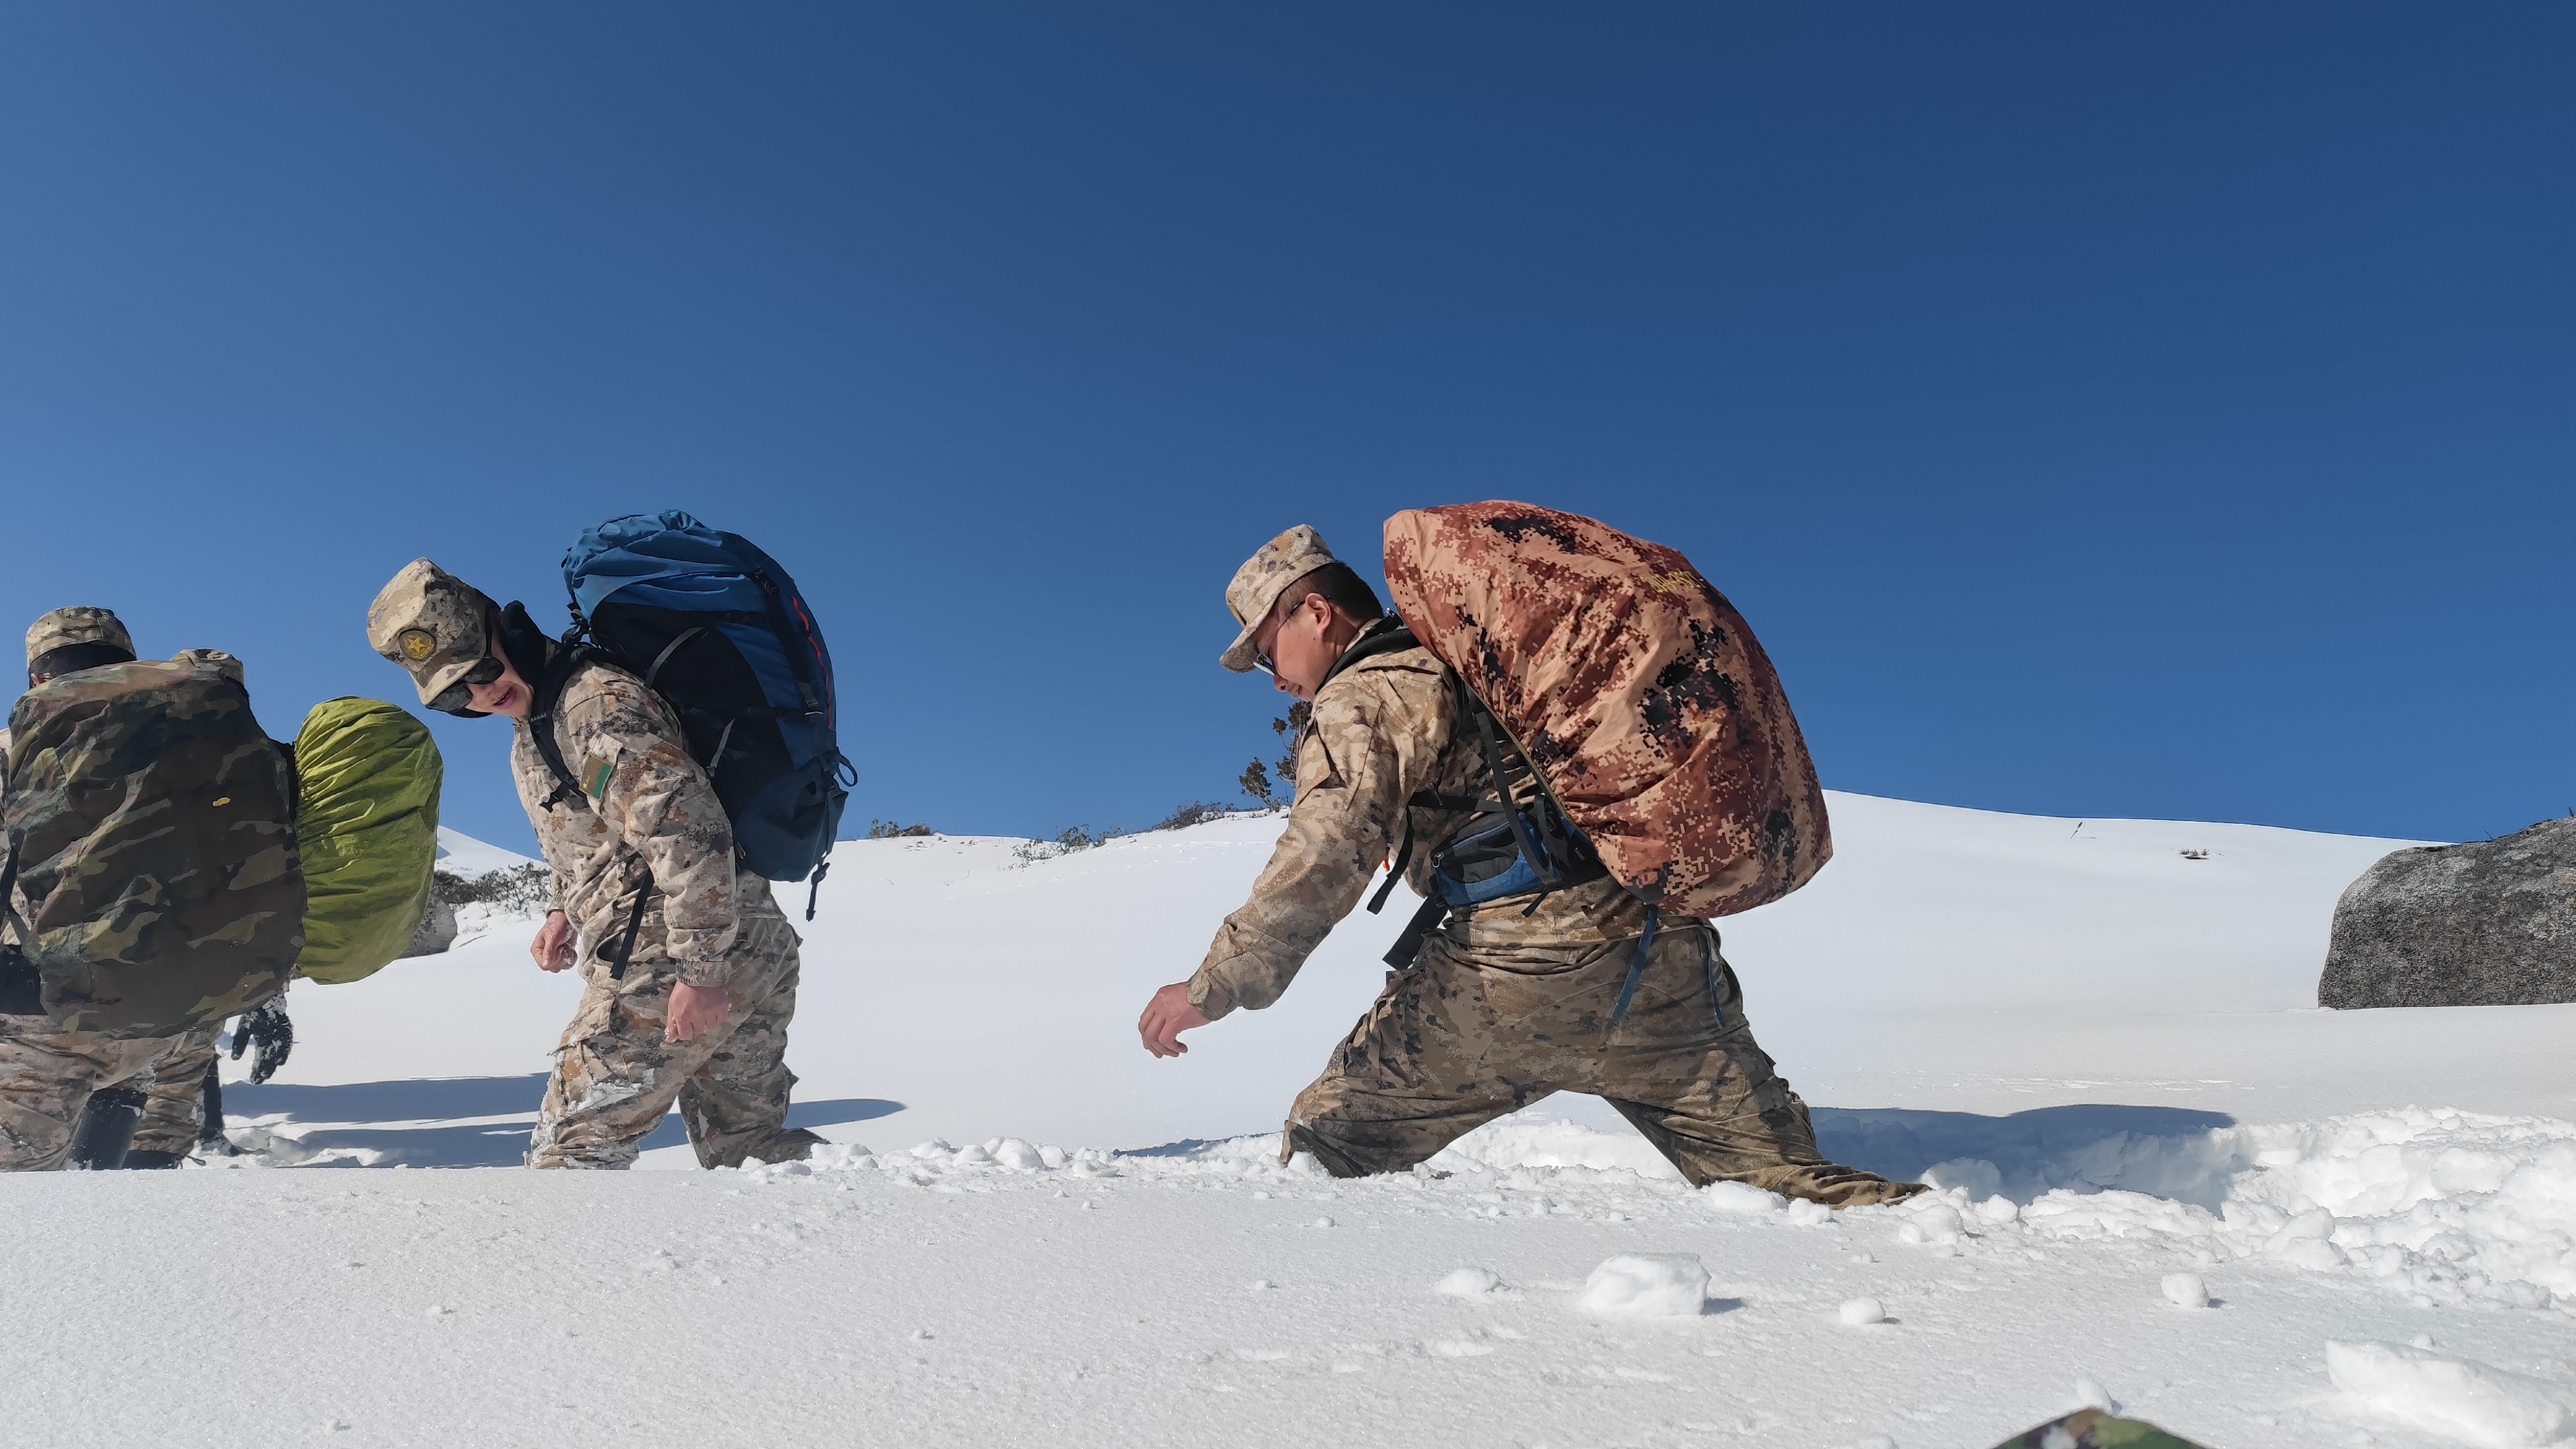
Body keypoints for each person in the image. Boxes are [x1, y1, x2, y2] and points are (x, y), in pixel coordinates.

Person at [1135, 526, 1920, 1206]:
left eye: (1270, 648)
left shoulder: (1366, 691)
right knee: (1786, 1186)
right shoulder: (1471, 666)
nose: (1274, 677)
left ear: (1315, 611)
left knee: (1328, 1148)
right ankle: (1950, 1268)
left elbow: (1323, 848)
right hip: (1656, 956)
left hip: (1516, 971)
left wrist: (1215, 984)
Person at [365, 559, 820, 1169]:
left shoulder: (593, 706)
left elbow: (689, 829)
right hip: (744, 937)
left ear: (505, 629)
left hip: (672, 951)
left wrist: (703, 969)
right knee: (753, 1151)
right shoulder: (538, 724)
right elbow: (589, 838)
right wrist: (563, 910)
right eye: (454, 694)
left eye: (480, 668)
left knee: (571, 1151)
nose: (479, 692)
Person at [0, 608, 204, 1170]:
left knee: (19, 1224)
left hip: (41, 1022)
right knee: (98, 1211)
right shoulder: (196, 743)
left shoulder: (14, 749)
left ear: (38, 677)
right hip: (158, 1016)